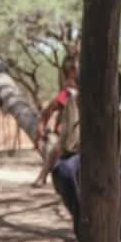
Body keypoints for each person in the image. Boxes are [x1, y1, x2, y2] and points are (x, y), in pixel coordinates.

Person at [50, 73, 121, 242]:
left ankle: (120, 230)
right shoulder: (75, 106)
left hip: (118, 166)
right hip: (84, 162)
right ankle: (85, 230)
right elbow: (70, 145)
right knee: (65, 169)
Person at [32, 55, 79, 187]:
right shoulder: (67, 94)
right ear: (71, 72)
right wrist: (40, 131)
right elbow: (48, 112)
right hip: (67, 134)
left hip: (81, 133)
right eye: (76, 68)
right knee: (57, 148)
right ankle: (43, 175)